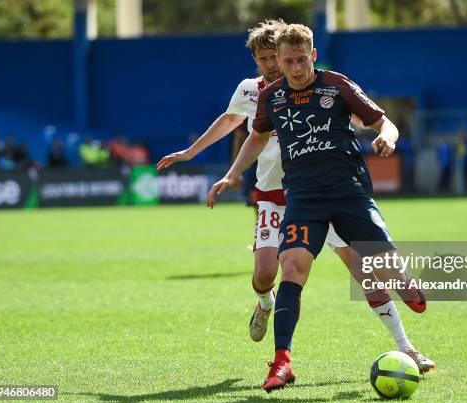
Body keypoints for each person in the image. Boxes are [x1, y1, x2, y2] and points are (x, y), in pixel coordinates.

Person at [158, 19, 431, 371]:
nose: (274, 65)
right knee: (264, 275)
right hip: (275, 194)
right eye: (266, 60)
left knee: (364, 268)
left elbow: (369, 119)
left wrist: (384, 136)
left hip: (321, 191)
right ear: (258, 61)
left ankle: (405, 347)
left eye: (278, 57)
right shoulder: (253, 92)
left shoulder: (324, 86)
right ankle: (265, 304)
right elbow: (231, 123)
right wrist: (197, 157)